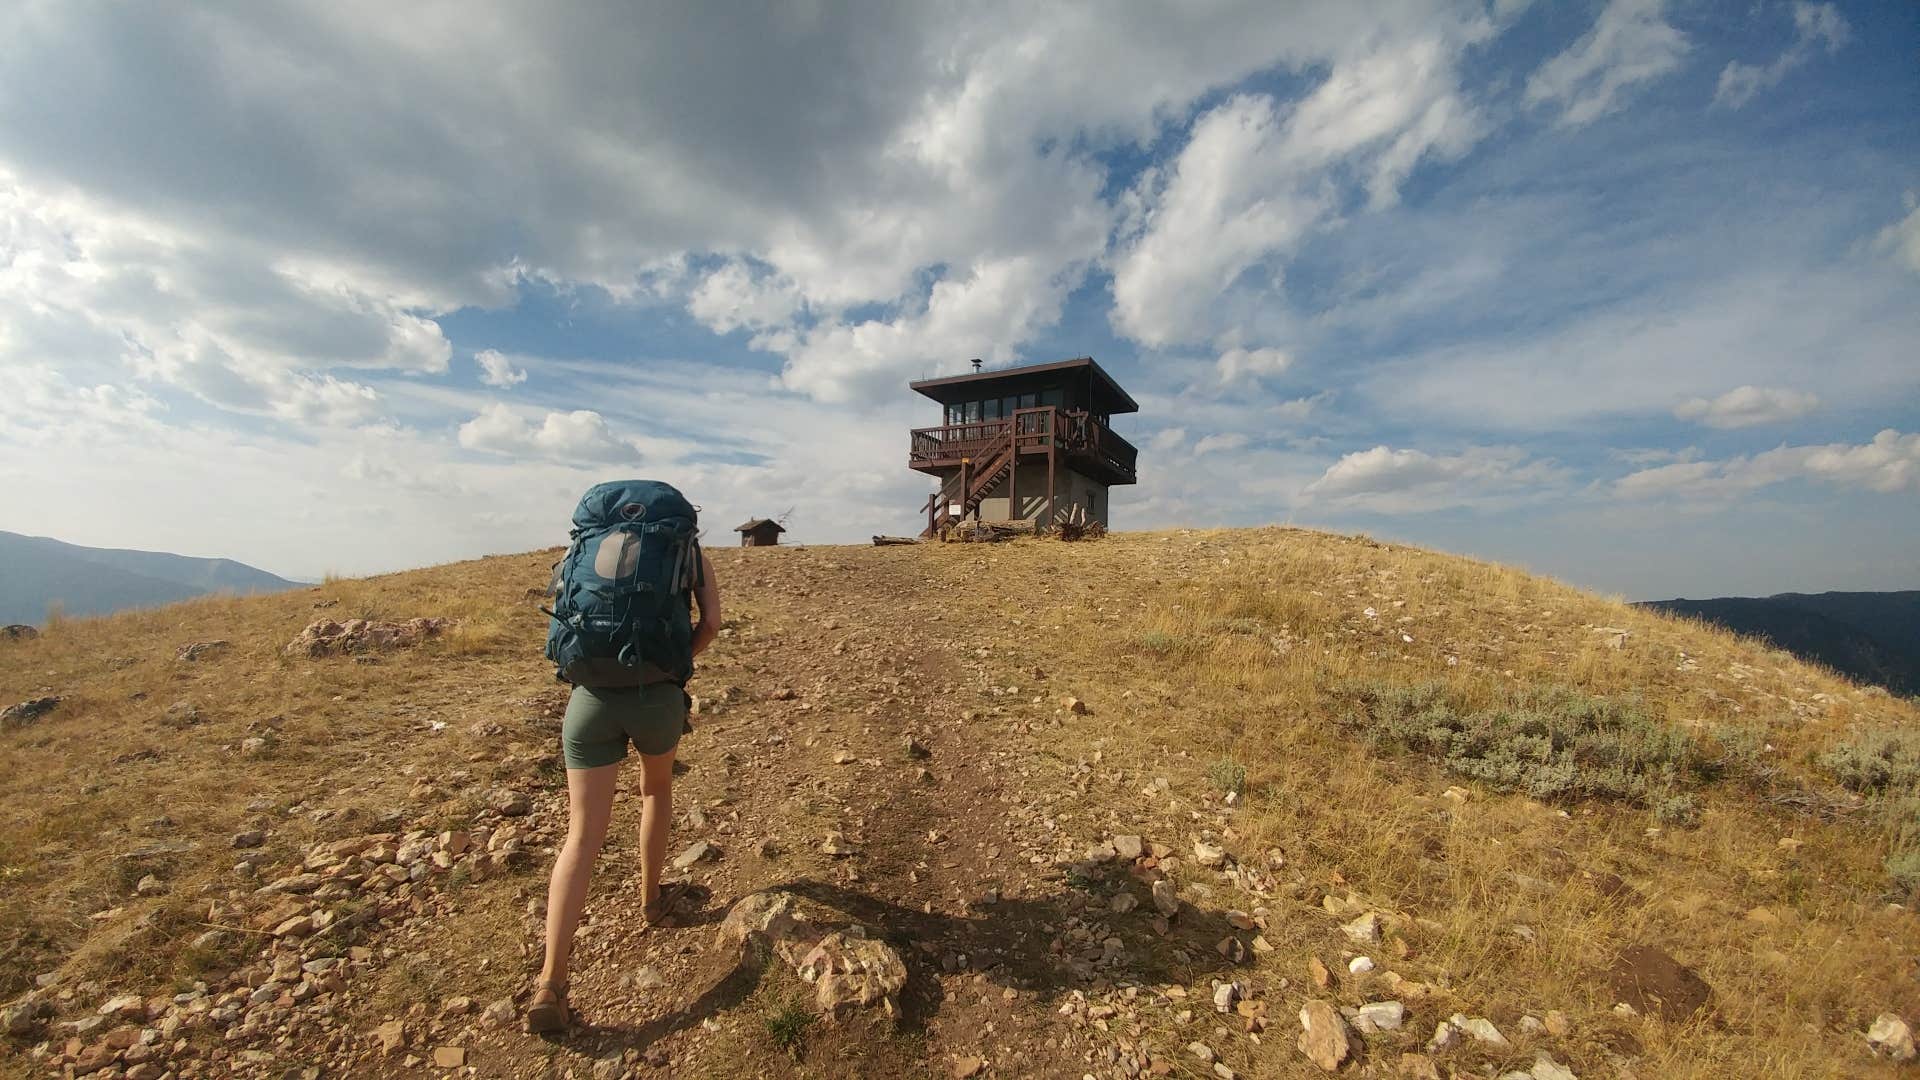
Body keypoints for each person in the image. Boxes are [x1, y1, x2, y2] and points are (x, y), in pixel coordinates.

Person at [526, 546, 722, 1034]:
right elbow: (712, 625)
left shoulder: (587, 547)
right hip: (656, 697)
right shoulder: (686, 552)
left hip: (589, 700)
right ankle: (651, 899)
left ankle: (551, 980)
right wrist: (671, 666)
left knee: (581, 835)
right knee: (655, 792)